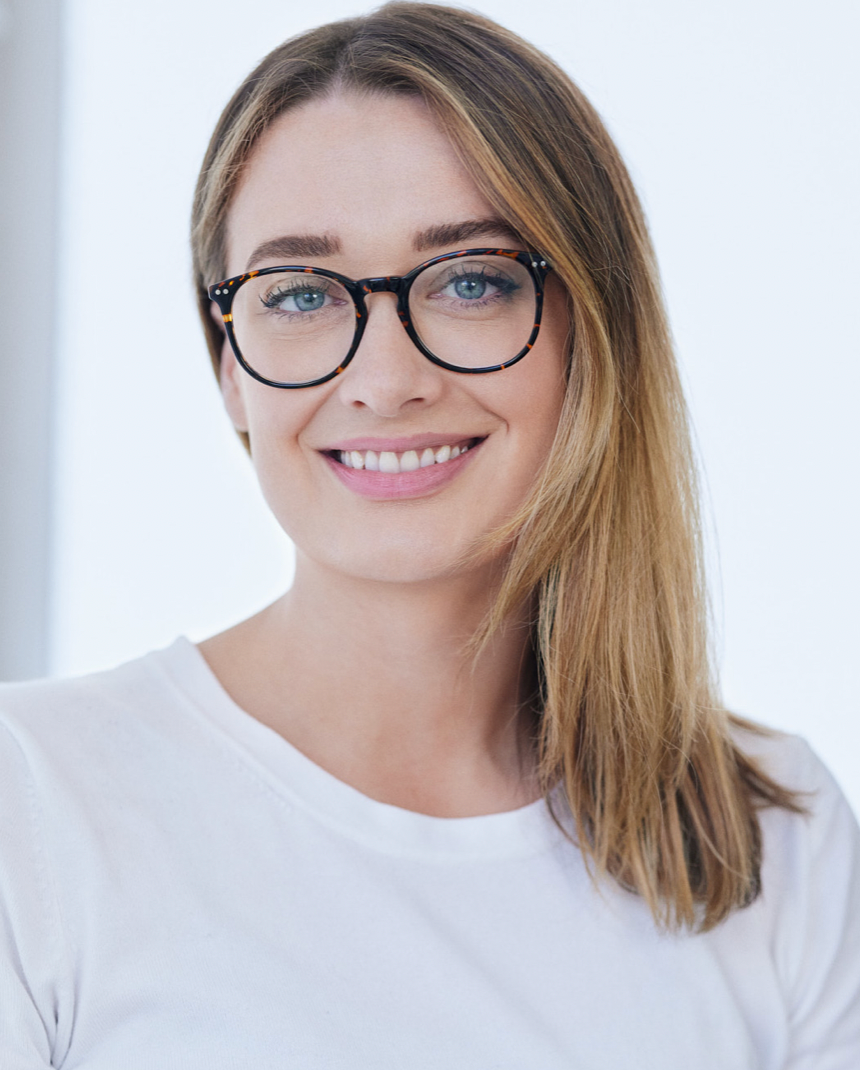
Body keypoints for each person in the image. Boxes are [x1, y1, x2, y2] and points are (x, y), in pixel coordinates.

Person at [1, 3, 858, 1066]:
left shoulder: (775, 839)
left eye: (468, 281)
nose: (385, 380)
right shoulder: (32, 805)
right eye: (301, 292)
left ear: (592, 333)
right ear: (229, 370)